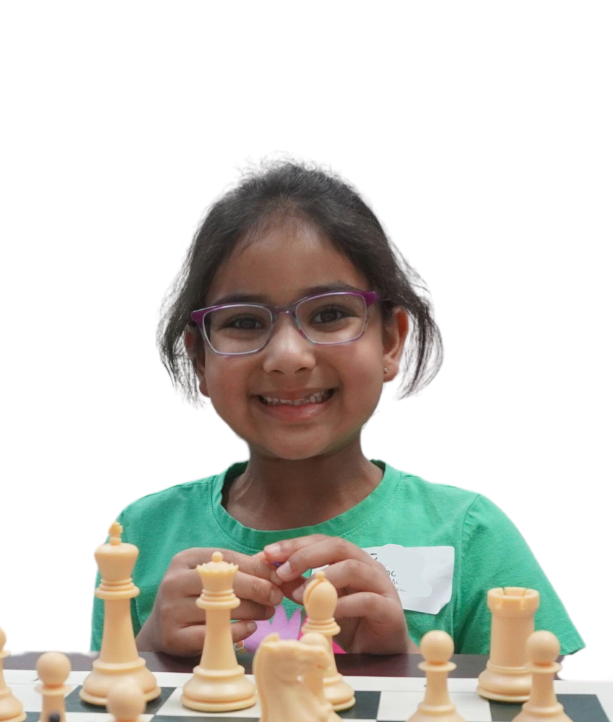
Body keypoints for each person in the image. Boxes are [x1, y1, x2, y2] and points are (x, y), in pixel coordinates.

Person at [88, 152, 585, 663]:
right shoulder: (139, 534)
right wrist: (146, 652)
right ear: (200, 360)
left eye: (329, 314)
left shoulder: (474, 536)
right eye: (243, 321)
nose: (287, 357)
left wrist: (403, 664)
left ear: (391, 342)